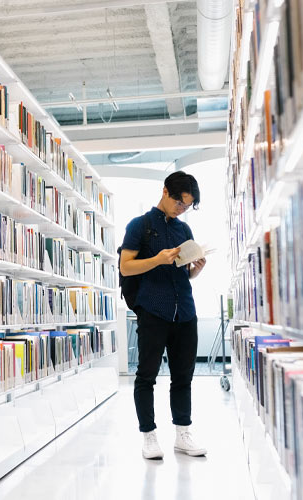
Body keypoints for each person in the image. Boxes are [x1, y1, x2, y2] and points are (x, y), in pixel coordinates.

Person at [119, 171, 207, 460]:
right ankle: (149, 436)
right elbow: (126, 268)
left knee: (183, 376)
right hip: (153, 311)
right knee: (146, 376)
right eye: (180, 203)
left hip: (185, 312)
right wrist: (157, 259)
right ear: (166, 192)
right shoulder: (139, 226)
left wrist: (197, 269)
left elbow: (184, 275)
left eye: (187, 206)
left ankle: (183, 433)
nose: (182, 210)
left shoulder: (184, 231)